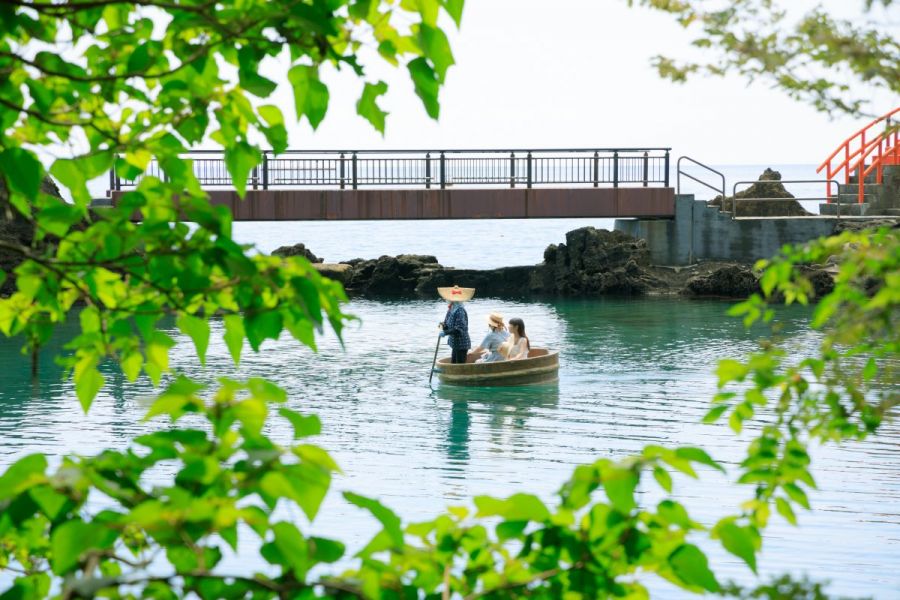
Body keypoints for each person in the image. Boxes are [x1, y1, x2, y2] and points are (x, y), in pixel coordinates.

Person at [438, 286, 473, 364]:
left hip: (461, 344)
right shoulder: (451, 309)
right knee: (453, 363)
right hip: (454, 343)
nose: (446, 299)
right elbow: (447, 324)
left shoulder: (460, 311)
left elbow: (459, 330)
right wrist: (442, 326)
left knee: (459, 365)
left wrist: (445, 333)